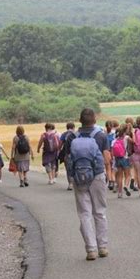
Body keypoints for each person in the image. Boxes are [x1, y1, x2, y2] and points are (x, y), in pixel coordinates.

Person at [65, 108, 110, 260]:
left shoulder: (72, 137)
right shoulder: (101, 136)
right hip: (97, 176)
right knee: (100, 212)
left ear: (80, 120)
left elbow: (68, 159)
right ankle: (102, 247)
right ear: (95, 120)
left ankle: (91, 249)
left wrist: (71, 177)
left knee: (84, 213)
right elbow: (107, 158)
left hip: (79, 177)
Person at [112, 124, 133, 198]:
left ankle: (120, 193)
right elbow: (134, 142)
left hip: (118, 159)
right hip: (125, 158)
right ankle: (126, 186)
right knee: (128, 175)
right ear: (126, 130)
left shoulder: (117, 138)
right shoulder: (127, 137)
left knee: (120, 176)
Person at [59, 122, 76, 190]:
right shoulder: (76, 134)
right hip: (76, 154)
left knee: (68, 169)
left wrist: (59, 150)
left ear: (67, 127)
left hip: (67, 153)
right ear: (73, 127)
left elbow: (60, 144)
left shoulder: (64, 134)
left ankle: (70, 184)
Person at [125, 117, 138, 191]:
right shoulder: (134, 131)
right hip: (133, 152)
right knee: (135, 168)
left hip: (125, 153)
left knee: (129, 168)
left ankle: (129, 180)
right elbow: (135, 141)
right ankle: (134, 181)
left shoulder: (123, 131)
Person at [105, 120, 117, 191]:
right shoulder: (115, 134)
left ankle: (110, 181)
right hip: (114, 152)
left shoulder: (103, 134)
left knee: (108, 168)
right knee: (113, 168)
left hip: (106, 152)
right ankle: (113, 180)